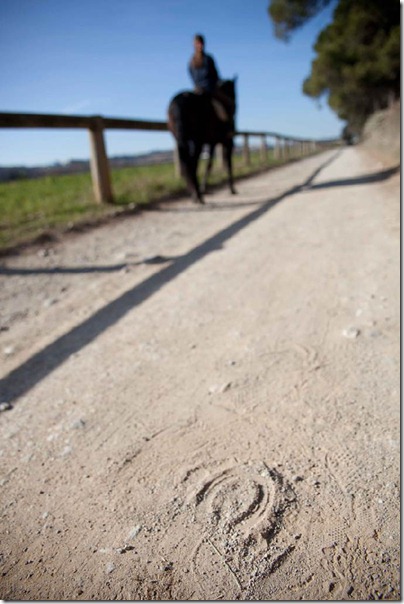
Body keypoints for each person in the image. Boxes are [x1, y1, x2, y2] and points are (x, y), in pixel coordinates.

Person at [188, 34, 229, 122]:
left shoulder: (200, 60)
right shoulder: (198, 61)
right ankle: (227, 128)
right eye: (198, 43)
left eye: (201, 43)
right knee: (225, 105)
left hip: (200, 89)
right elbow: (215, 76)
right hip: (208, 90)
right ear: (195, 45)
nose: (200, 45)